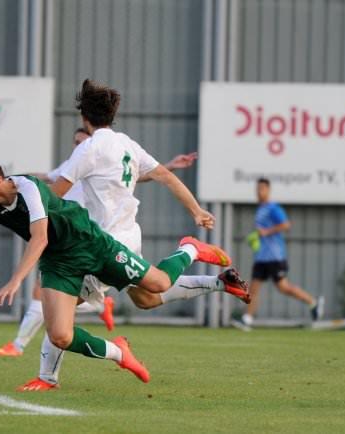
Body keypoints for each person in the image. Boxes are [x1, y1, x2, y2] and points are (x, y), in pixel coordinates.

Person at [17, 79, 250, 391]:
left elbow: (54, 195)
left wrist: (15, 201)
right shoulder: (125, 143)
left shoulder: (89, 148)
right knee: (146, 298)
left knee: (61, 308)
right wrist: (196, 210)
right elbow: (164, 176)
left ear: (84, 116)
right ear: (112, 115)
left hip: (104, 245)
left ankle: (190, 250)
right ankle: (218, 282)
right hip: (128, 236)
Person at [0, 154, 243, 387]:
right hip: (58, 262)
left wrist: (15, 281)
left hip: (91, 244)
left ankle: (189, 249)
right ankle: (119, 353)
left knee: (157, 285)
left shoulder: (27, 187)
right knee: (60, 335)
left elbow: (39, 237)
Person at [0, 127, 199, 357]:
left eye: (83, 141)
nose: (78, 145)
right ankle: (96, 309)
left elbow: (134, 176)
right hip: (76, 242)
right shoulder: (72, 164)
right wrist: (9, 181)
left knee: (151, 289)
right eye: (75, 142)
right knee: (144, 297)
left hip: (93, 241)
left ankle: (23, 347)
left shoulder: (97, 158)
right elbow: (46, 178)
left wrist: (169, 166)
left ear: (92, 141)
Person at [231, 178, 324, 332]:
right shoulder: (260, 209)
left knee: (283, 287)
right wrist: (255, 239)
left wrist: (267, 232)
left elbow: (286, 225)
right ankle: (247, 319)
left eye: (262, 189)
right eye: (257, 189)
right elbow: (262, 232)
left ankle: (313, 302)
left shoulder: (273, 208)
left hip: (275, 256)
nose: (259, 192)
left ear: (268, 190)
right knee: (253, 288)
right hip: (261, 257)